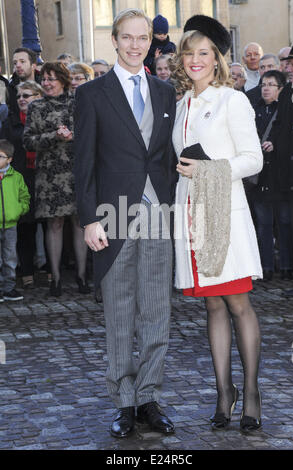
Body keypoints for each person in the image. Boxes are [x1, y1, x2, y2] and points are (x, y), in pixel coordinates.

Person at [74, 8, 177, 438]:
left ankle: (149, 397)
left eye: (142, 39)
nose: (136, 45)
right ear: (114, 41)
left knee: (156, 311)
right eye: (127, 38)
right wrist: (89, 219)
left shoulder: (164, 91)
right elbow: (83, 164)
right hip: (112, 219)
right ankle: (124, 402)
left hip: (157, 215)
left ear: (151, 43)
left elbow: (166, 158)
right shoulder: (92, 94)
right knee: (119, 314)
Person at [172, 15, 263, 432]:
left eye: (203, 53)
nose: (195, 60)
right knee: (211, 303)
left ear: (216, 59)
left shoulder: (232, 100)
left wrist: (208, 171)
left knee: (238, 302)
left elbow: (253, 160)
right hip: (192, 214)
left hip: (224, 211)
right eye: (189, 53)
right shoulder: (180, 105)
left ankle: (253, 392)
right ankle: (223, 392)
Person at [23, 62, 90, 297]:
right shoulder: (37, 107)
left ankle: (82, 277)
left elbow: (94, 133)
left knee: (80, 222)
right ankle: (56, 279)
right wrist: (54, 136)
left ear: (63, 80)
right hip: (49, 175)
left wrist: (73, 136)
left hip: (78, 171)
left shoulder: (79, 102)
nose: (47, 83)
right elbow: (28, 141)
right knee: (54, 224)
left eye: (51, 79)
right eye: (44, 79)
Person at [2, 80, 50, 289]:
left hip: (45, 176)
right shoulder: (9, 121)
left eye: (27, 95)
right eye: (19, 96)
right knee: (24, 227)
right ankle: (27, 272)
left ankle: (50, 270)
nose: (22, 99)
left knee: (49, 225)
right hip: (20, 178)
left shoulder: (47, 117)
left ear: (38, 96)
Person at [251, 70, 293, 281]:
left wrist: (275, 144)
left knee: (284, 223)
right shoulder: (253, 109)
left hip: (280, 176)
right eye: (263, 84)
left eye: (270, 85)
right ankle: (266, 267)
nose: (265, 88)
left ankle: (286, 266)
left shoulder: (286, 109)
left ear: (280, 89)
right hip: (260, 178)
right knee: (264, 225)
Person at [269, 43, 293, 297]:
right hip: (291, 176)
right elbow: (281, 125)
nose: (290, 67)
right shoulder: (289, 90)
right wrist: (274, 142)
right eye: (290, 63)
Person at [0, 139, 30, 301]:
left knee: (10, 257)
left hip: (11, 224)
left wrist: (19, 210)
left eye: (0, 156)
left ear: (9, 159)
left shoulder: (16, 177)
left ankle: (9, 288)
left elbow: (25, 197)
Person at [8, 47, 40, 115]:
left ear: (33, 66)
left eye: (22, 61)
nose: (18, 65)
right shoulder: (9, 89)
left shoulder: (45, 85)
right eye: (15, 63)